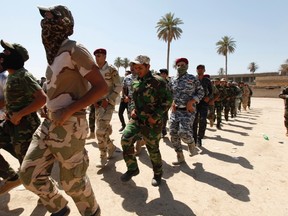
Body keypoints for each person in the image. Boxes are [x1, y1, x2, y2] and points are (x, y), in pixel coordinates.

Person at [20, 5, 107, 216]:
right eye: (44, 18)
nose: (46, 21)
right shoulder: (53, 54)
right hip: (49, 123)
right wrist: (48, 107)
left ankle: (92, 212)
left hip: (70, 125)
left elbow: (102, 87)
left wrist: (68, 110)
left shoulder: (75, 49)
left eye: (52, 17)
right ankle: (59, 208)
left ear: (65, 23)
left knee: (73, 183)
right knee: (29, 176)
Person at [0, 40, 46, 195]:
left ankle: (53, 199)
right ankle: (11, 176)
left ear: (16, 57)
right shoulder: (12, 76)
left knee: (30, 169)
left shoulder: (23, 75)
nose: (2, 55)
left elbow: (42, 98)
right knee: (29, 167)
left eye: (7, 52)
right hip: (10, 125)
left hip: (25, 129)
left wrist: (19, 114)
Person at [120, 55, 172, 186]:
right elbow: (133, 99)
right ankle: (132, 168)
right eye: (135, 67)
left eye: (140, 67)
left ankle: (158, 174)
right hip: (137, 119)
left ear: (148, 67)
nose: (137, 70)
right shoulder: (135, 81)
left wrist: (155, 117)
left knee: (152, 149)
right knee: (125, 139)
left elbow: (168, 101)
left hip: (152, 122)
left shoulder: (159, 81)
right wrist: (132, 109)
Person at [169, 58, 204, 165]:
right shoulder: (173, 79)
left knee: (184, 132)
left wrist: (192, 101)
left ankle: (191, 144)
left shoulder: (192, 78)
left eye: (182, 65)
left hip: (188, 111)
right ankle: (180, 157)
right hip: (176, 111)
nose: (180, 67)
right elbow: (169, 93)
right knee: (173, 134)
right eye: (178, 65)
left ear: (187, 66)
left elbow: (201, 92)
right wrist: (172, 102)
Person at [93, 48, 122, 168]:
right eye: (96, 56)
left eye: (99, 55)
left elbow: (118, 86)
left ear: (105, 56)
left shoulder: (111, 69)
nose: (97, 58)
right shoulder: (93, 69)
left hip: (108, 105)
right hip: (97, 105)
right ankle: (111, 147)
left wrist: (108, 100)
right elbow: (92, 86)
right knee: (103, 130)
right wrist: (93, 100)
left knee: (99, 132)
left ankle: (103, 156)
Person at [192, 65, 212, 147]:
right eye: (198, 69)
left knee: (203, 120)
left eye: (201, 69)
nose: (200, 70)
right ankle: (194, 139)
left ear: (204, 70)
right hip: (195, 102)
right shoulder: (193, 79)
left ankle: (200, 138)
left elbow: (211, 92)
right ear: (196, 70)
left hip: (204, 102)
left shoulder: (207, 80)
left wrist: (208, 97)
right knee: (194, 121)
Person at [159, 68, 170, 137]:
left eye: (164, 74)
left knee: (164, 117)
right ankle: (160, 130)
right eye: (161, 73)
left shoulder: (169, 83)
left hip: (166, 102)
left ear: (166, 75)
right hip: (158, 102)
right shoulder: (157, 82)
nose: (162, 75)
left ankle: (163, 129)